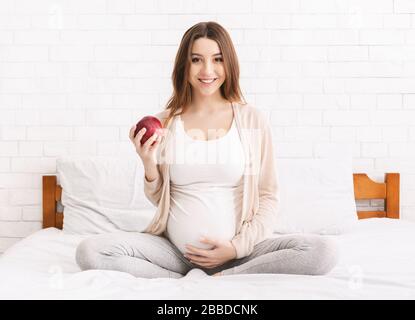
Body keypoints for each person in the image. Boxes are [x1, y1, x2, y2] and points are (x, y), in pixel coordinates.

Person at [75, 21, 338, 278]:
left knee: (322, 252)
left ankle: (230, 273)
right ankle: (181, 275)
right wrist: (148, 163)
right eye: (196, 59)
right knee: (90, 252)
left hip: (240, 251)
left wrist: (236, 248)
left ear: (229, 64)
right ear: (184, 65)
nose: (207, 70)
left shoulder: (251, 119)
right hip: (176, 253)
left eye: (218, 59)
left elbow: (268, 197)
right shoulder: (166, 122)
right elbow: (161, 199)